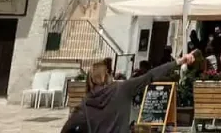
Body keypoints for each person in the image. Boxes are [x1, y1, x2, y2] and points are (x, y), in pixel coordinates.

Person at [61, 50, 195, 133]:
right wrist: (178, 61)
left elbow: (67, 129)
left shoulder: (84, 105)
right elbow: (150, 76)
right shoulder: (122, 89)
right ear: (107, 75)